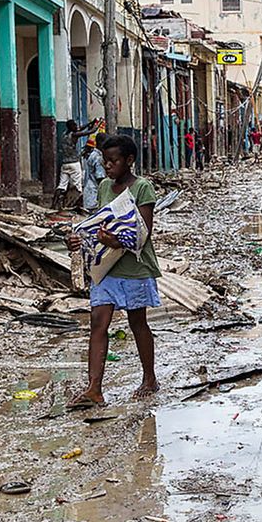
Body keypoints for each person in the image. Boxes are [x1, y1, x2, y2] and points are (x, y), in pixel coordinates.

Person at [66, 134, 162, 407]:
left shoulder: (142, 188)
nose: (107, 166)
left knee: (137, 322)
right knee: (98, 322)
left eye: (113, 161)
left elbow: (143, 232)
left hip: (134, 267)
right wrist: (78, 237)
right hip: (106, 266)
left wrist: (117, 240)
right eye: (105, 161)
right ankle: (94, 388)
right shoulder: (106, 186)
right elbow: (98, 222)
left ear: (129, 161)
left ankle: (149, 378)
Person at [56, 118, 100, 209]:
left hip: (65, 164)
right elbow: (91, 131)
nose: (77, 126)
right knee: (77, 186)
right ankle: (77, 205)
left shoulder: (64, 134)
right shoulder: (74, 135)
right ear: (72, 127)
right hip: (74, 163)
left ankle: (55, 204)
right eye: (75, 125)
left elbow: (81, 128)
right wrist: (98, 124)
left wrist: (90, 123)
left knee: (62, 185)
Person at [83, 133, 107, 211]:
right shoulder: (98, 158)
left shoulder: (92, 154)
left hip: (88, 192)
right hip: (94, 195)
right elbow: (100, 178)